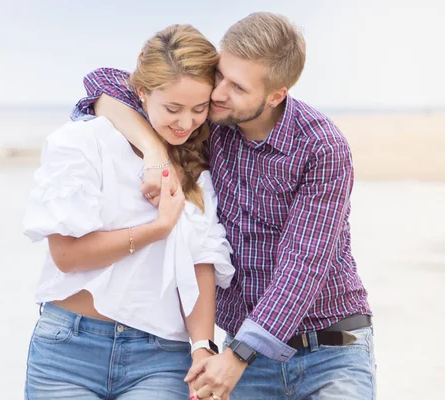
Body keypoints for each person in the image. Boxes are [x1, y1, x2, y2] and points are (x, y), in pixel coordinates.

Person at [72, 12, 376, 400]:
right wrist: (154, 152)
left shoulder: (321, 147)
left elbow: (304, 262)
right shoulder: (209, 124)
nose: (216, 94)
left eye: (237, 86)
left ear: (275, 95)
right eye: (220, 75)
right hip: (244, 357)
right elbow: (103, 83)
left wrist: (236, 356)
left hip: (329, 351)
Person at [22, 24, 235, 399]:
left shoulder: (201, 166)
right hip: (68, 352)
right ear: (140, 92)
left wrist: (203, 344)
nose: (186, 123)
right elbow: (68, 255)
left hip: (160, 359)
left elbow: (202, 261)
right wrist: (158, 227)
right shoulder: (84, 142)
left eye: (199, 109)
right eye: (173, 108)